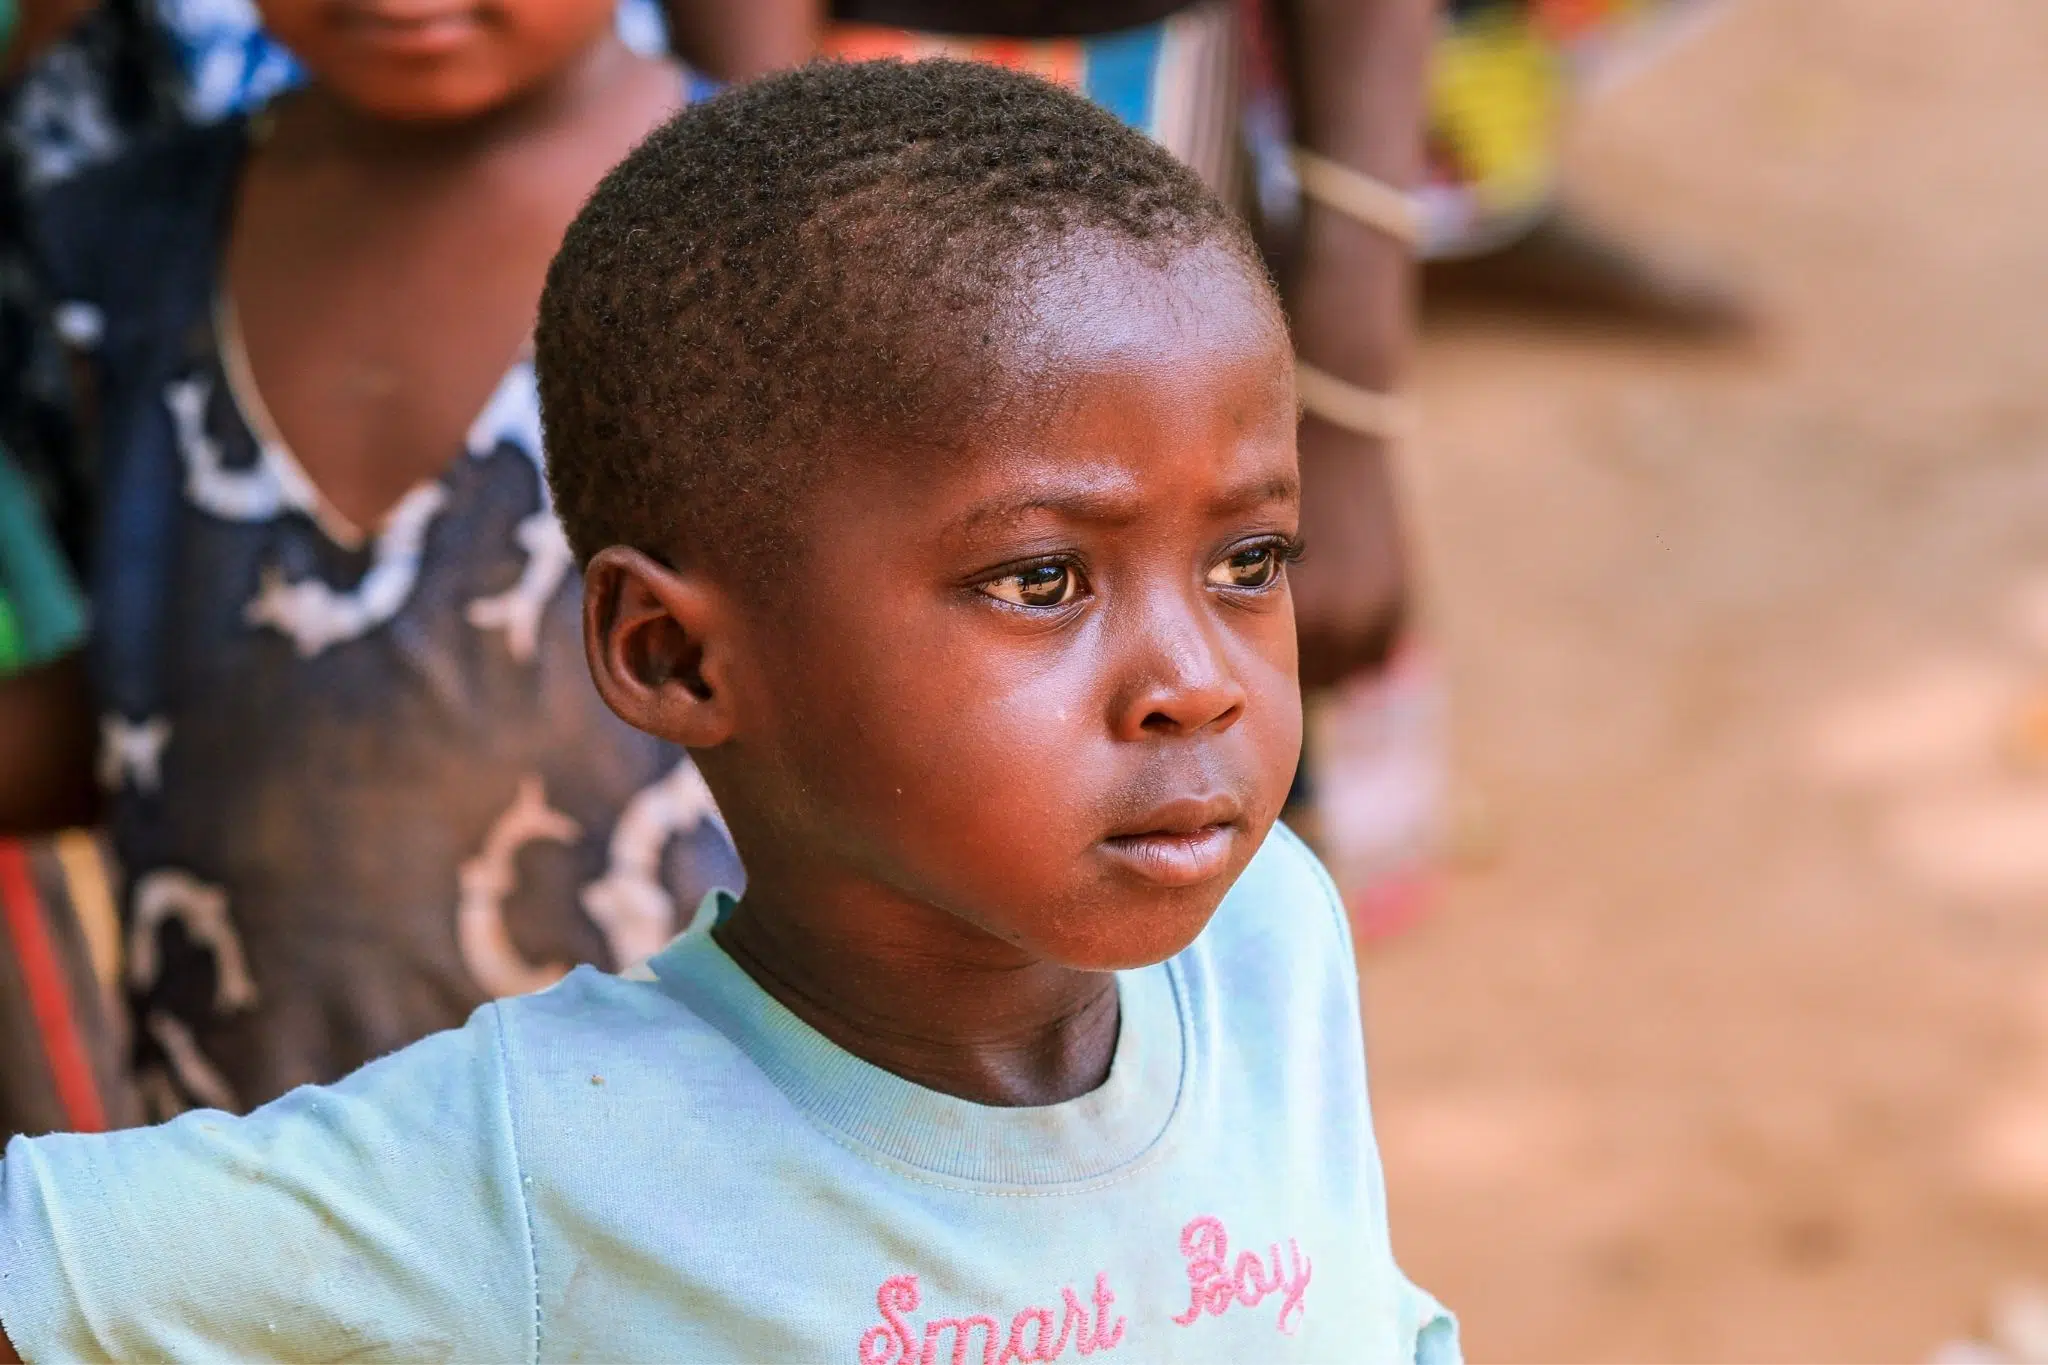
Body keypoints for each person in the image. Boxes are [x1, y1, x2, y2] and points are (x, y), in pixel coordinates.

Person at [0, 59, 1456, 1361]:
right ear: (676, 659)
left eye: (1246, 561)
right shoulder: (534, 1162)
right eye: (1042, 580)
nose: (1198, 678)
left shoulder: (1272, 939)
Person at [2, 0, 742, 1119]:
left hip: (689, 1191)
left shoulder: (783, 240)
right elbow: (160, 683)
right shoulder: (118, 244)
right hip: (258, 1200)